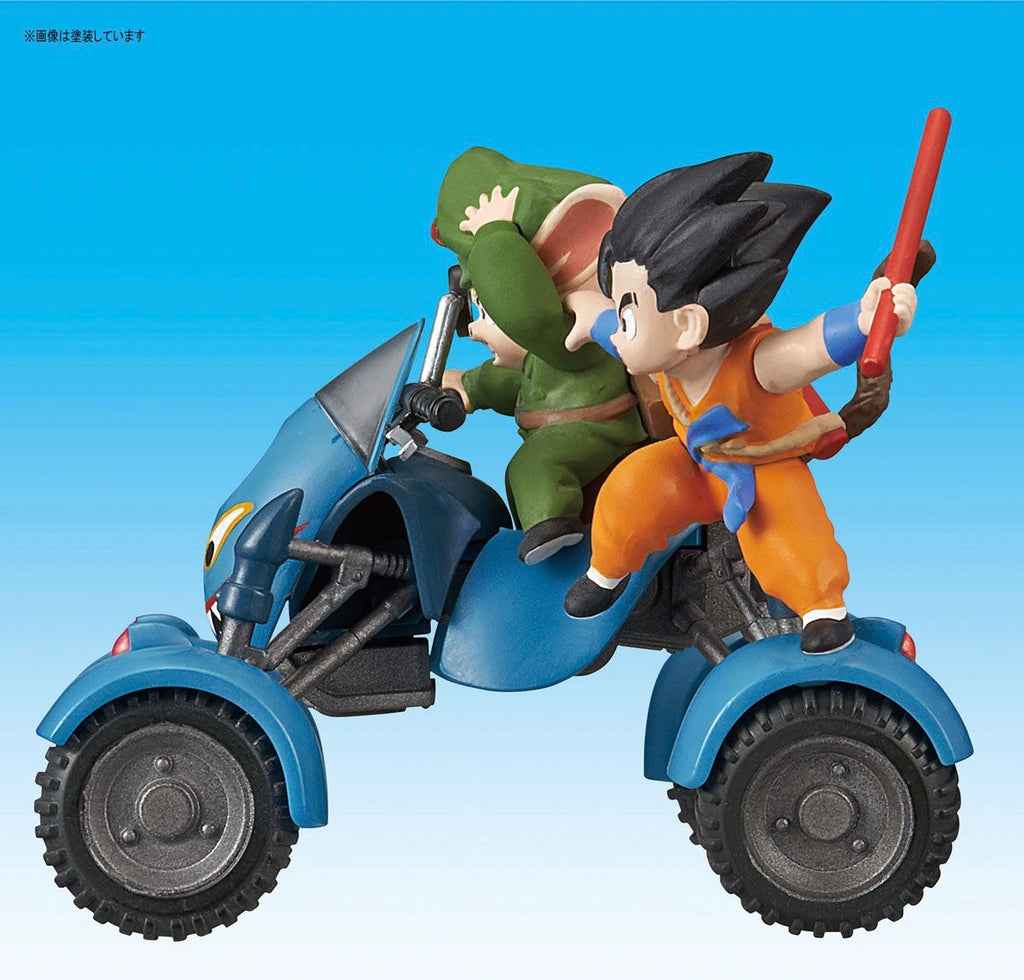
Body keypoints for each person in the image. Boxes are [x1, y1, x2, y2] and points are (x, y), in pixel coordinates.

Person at [562, 153, 916, 654]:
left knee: (789, 539)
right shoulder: (666, 350)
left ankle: (823, 610)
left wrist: (863, 320)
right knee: (630, 489)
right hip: (696, 465)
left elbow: (809, 346)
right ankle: (607, 573)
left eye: (628, 315)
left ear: (688, 324)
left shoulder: (757, 363)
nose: (621, 330)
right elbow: (617, 337)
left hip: (766, 470)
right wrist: (588, 314)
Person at [434, 148, 647, 563]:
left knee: (532, 466)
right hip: (566, 429)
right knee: (527, 466)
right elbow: (515, 384)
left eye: (485, 311)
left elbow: (530, 318)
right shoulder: (544, 361)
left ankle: (555, 528)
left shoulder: (574, 337)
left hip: (597, 431)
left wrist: (494, 236)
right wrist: (469, 386)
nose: (474, 329)